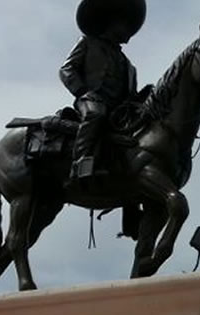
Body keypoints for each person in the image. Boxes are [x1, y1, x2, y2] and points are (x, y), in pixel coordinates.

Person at [60, 0, 145, 181]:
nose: (129, 29)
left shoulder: (129, 67)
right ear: (112, 22)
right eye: (125, 23)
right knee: (95, 114)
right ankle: (80, 165)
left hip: (119, 111)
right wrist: (83, 91)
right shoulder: (88, 43)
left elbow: (131, 97)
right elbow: (67, 69)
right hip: (92, 99)